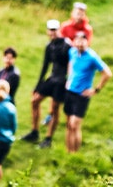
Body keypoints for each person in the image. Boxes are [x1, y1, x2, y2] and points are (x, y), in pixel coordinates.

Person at [22, 19, 71, 148]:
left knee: (55, 108)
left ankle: (48, 138)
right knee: (35, 101)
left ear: (59, 30)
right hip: (52, 78)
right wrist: (38, 85)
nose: (52, 33)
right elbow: (45, 66)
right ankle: (34, 131)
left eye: (54, 30)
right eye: (50, 30)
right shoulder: (49, 46)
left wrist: (69, 83)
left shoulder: (66, 45)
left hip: (62, 81)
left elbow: (72, 65)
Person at [63, 31, 111, 153]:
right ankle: (68, 151)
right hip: (70, 91)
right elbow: (71, 64)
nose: (80, 44)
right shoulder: (72, 52)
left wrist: (96, 89)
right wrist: (69, 78)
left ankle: (75, 152)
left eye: (82, 41)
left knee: (75, 125)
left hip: (82, 95)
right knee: (68, 124)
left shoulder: (92, 57)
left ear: (87, 42)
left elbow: (107, 74)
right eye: (77, 41)